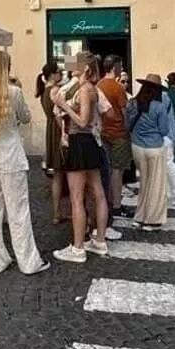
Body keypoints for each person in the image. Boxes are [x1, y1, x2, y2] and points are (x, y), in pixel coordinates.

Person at [0, 51, 50, 275]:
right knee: (18, 211)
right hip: (11, 157)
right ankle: (28, 261)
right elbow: (25, 118)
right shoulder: (13, 92)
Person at [51, 53, 110, 263]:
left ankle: (77, 248)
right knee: (98, 192)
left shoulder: (85, 89)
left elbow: (83, 121)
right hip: (90, 144)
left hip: (80, 142)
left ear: (85, 68)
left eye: (75, 63)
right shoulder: (90, 89)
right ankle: (100, 240)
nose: (70, 66)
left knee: (77, 197)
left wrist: (64, 106)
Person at [125, 74, 172, 230]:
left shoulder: (132, 103)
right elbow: (164, 130)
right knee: (156, 185)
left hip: (137, 147)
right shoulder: (159, 107)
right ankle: (152, 220)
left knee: (144, 183)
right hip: (154, 147)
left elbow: (127, 124)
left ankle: (139, 217)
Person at [96, 55, 135, 221]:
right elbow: (125, 110)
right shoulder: (118, 88)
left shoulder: (98, 85)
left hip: (104, 132)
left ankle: (108, 202)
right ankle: (117, 205)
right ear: (115, 67)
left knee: (108, 169)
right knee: (118, 171)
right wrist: (128, 128)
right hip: (119, 133)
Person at [36, 61, 69, 224]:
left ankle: (57, 213)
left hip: (51, 130)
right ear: (53, 74)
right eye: (59, 72)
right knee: (65, 172)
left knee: (57, 174)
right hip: (58, 130)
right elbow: (59, 114)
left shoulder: (44, 91)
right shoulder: (55, 90)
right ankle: (64, 211)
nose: (61, 74)